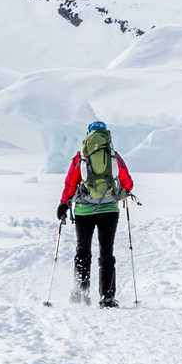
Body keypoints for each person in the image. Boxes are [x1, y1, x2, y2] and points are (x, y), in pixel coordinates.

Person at [55, 119, 135, 307]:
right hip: (109, 210)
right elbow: (128, 183)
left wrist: (63, 204)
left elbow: (70, 183)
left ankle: (80, 293)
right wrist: (121, 193)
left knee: (83, 251)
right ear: (107, 135)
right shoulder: (114, 156)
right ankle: (107, 297)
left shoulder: (81, 157)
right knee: (106, 252)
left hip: (84, 211)